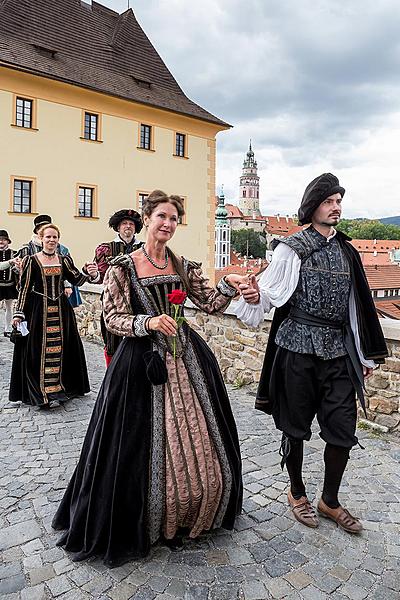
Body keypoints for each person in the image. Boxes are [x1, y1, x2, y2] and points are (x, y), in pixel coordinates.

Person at [52, 190, 247, 566]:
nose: (168, 224)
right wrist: (148, 322)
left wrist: (231, 283)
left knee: (204, 433)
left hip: (185, 358)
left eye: (174, 218)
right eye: (162, 216)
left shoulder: (182, 263)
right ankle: (149, 520)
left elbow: (209, 303)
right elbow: (112, 318)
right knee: (132, 445)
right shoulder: (123, 267)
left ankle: (196, 510)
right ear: (147, 219)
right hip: (139, 363)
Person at [235, 173, 388, 533]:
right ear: (313, 206)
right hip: (297, 348)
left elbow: (355, 307)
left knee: (341, 427)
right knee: (295, 426)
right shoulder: (292, 247)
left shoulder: (348, 251)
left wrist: (364, 355)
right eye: (329, 201)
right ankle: (297, 492)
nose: (336, 207)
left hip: (337, 352)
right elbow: (272, 293)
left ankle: (329, 501)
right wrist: (256, 297)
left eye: (339, 201)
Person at [9, 224, 99, 408]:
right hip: (37, 311)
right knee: (37, 351)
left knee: (64, 348)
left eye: (55, 237)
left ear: (58, 240)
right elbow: (24, 289)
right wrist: (18, 314)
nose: (51, 240)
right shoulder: (31, 261)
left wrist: (88, 272)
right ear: (41, 239)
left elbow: (76, 280)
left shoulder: (64, 259)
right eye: (48, 237)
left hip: (61, 312)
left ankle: (60, 389)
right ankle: (42, 394)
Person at [93, 209, 143, 365]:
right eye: (124, 224)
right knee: (112, 341)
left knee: (138, 339)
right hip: (112, 303)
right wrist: (93, 274)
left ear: (136, 228)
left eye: (131, 224)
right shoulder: (105, 249)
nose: (128, 226)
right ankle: (113, 377)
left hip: (138, 301)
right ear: (118, 227)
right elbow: (99, 277)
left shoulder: (144, 249)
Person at [18, 214, 83, 307]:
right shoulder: (27, 249)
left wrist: (67, 285)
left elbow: (68, 271)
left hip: (58, 292)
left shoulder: (62, 249)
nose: (51, 240)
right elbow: (23, 275)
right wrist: (19, 267)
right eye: (42, 227)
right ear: (38, 231)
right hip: (36, 293)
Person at [0, 230, 18, 337]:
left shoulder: (14, 253)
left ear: (7, 241)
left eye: (3, 239)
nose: (1, 241)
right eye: (0, 239)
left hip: (9, 285)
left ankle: (7, 329)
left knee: (9, 307)